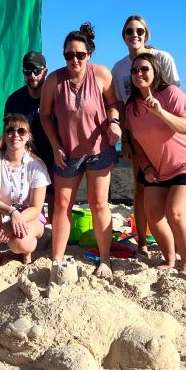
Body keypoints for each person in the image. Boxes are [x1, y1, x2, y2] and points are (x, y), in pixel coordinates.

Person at [40, 22, 121, 278]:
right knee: (62, 205)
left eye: (79, 54)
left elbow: (113, 104)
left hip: (99, 149)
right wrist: (55, 146)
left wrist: (115, 123)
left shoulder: (101, 74)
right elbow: (45, 115)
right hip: (68, 152)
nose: (74, 59)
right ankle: (57, 260)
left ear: (89, 54)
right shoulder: (54, 79)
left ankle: (105, 259)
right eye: (68, 55)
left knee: (99, 204)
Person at [125, 53, 186, 279]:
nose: (138, 74)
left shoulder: (171, 94)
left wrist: (160, 111)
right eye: (134, 70)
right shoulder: (131, 108)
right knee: (153, 213)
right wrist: (146, 167)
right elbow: (137, 144)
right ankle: (169, 259)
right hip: (158, 170)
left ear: (155, 71)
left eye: (144, 69)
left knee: (176, 212)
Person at [112, 15, 180, 258]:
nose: (134, 35)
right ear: (123, 36)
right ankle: (142, 241)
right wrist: (127, 141)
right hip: (138, 137)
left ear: (146, 34)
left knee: (172, 189)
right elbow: (122, 108)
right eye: (129, 31)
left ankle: (173, 240)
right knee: (141, 188)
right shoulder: (119, 68)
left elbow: (175, 99)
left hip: (167, 135)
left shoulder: (163, 58)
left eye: (139, 30)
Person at [0, 113, 50, 264]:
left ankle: (25, 255)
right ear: (4, 135)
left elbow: (36, 207)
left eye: (21, 131)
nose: (15, 135)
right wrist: (12, 213)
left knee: (22, 243)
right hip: (0, 211)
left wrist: (13, 223)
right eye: (10, 130)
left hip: (28, 215)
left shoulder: (37, 165)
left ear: (28, 137)